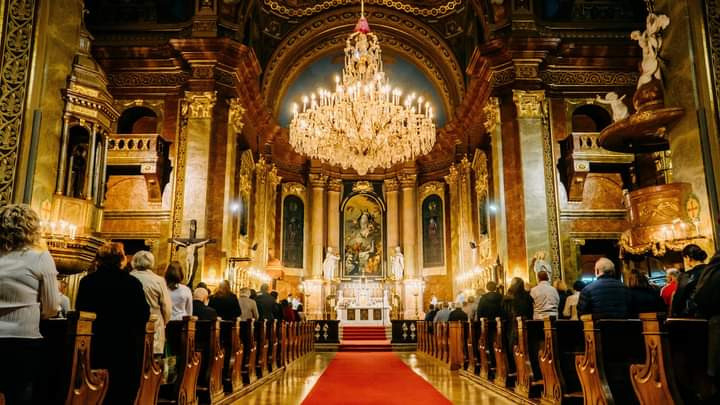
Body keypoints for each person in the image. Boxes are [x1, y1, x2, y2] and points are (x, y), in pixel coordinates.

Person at [0, 204, 61, 405]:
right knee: (20, 394)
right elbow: (52, 306)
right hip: (23, 339)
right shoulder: (41, 257)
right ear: (33, 227)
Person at [76, 242, 150, 405]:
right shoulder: (132, 283)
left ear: (98, 260)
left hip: (97, 346)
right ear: (122, 260)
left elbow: (80, 314)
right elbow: (143, 315)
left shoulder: (87, 282)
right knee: (122, 393)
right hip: (125, 348)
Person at [130, 250, 172, 355]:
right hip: (154, 324)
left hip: (132, 324)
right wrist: (164, 322)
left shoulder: (128, 278)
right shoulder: (159, 280)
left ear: (134, 261)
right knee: (153, 357)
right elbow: (166, 306)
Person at [672, 244, 708, 317]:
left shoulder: (686, 275)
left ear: (687, 258)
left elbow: (678, 300)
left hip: (694, 317)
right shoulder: (712, 271)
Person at [501, 277, 534, 347]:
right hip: (526, 323)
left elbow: (503, 312)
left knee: (513, 343)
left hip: (512, 324)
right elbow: (531, 310)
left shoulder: (508, 296)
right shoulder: (527, 296)